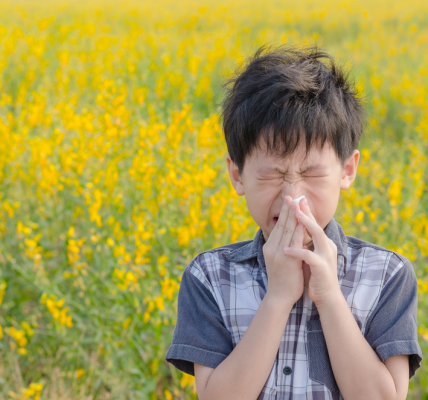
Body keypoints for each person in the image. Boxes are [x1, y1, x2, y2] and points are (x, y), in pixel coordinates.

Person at [164, 43, 423, 400]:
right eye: (272, 174)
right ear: (237, 176)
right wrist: (279, 297)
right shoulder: (209, 276)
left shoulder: (386, 276)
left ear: (348, 171)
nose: (293, 197)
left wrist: (330, 296)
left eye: (312, 174)